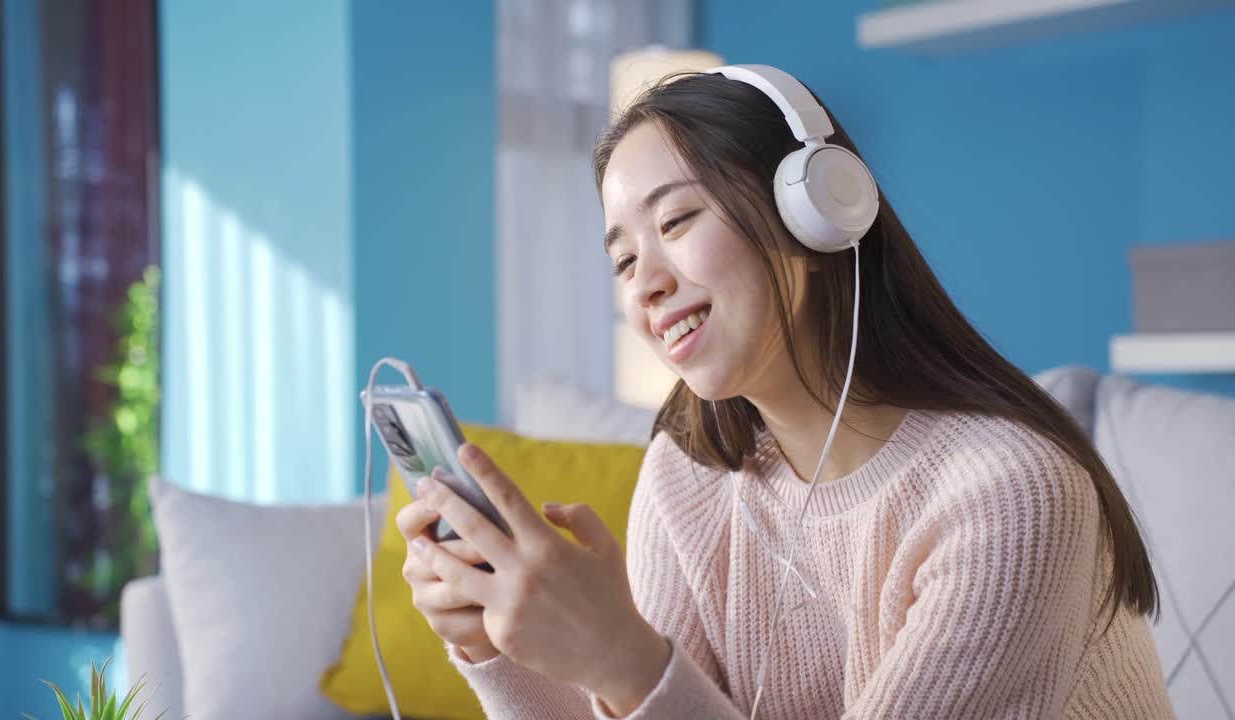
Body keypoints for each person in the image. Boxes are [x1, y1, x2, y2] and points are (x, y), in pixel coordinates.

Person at [396, 65, 1174, 719]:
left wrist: (625, 659)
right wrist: (494, 645)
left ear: (816, 211)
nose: (650, 284)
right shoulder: (689, 478)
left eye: (676, 220)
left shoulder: (1011, 495)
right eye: (625, 262)